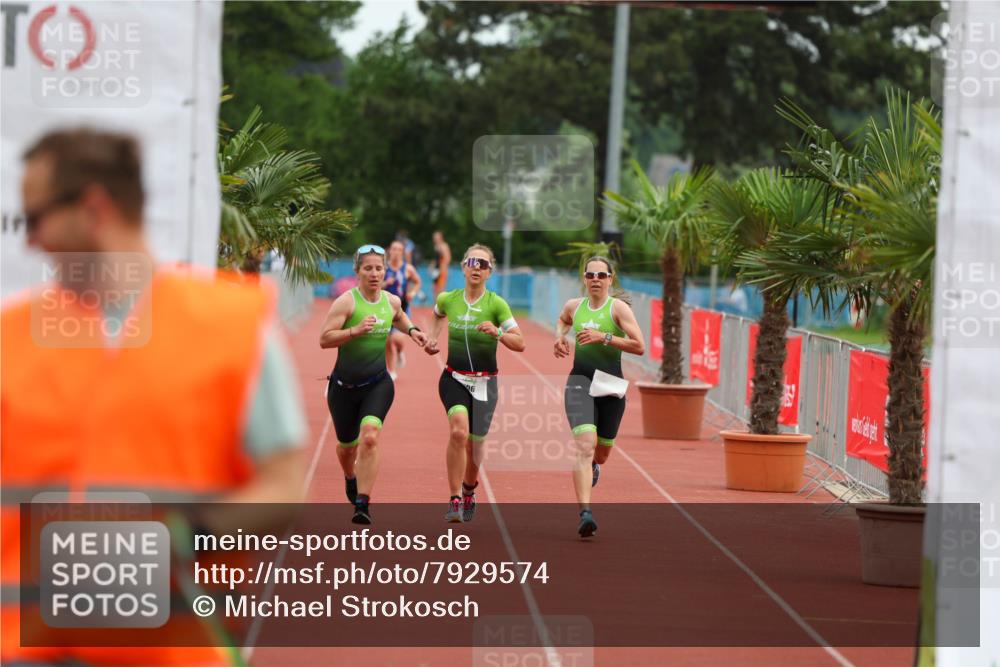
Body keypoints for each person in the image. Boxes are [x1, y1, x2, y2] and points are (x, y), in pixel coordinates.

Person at [1, 128, 308, 666]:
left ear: (93, 208)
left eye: (37, 218)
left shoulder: (230, 327)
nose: (29, 239)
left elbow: (283, 485)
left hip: (172, 650)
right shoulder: (11, 334)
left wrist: (185, 535)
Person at [319, 244, 429, 524]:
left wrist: (414, 331)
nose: (374, 273)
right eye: (368, 268)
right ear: (357, 271)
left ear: (385, 271)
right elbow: (325, 339)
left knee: (370, 435)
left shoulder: (391, 301)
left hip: (377, 382)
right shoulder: (346, 302)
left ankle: (363, 503)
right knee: (347, 448)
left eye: (379, 268)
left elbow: (401, 317)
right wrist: (354, 331)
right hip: (343, 387)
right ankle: (349, 475)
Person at [424, 244, 525, 522]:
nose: (477, 268)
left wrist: (498, 333)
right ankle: (455, 498)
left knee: (475, 444)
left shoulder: (496, 304)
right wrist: (433, 337)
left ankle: (470, 489)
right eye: (472, 262)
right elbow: (436, 314)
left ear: (490, 271)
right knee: (458, 432)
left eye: (483, 264)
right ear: (463, 266)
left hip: (485, 383)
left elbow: (520, 343)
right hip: (453, 377)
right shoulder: (448, 299)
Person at [553, 256, 645, 537]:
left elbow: (639, 346)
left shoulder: (618, 309)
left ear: (610, 278)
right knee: (585, 444)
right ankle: (585, 513)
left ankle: (594, 466)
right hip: (580, 382)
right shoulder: (574, 306)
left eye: (601, 275)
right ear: (584, 278)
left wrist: (603, 337)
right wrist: (560, 337)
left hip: (611, 386)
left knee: (601, 454)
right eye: (591, 274)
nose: (596, 279)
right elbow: (563, 319)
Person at [383, 239, 422, 379]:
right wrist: (385, 283)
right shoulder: (383, 267)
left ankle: (400, 352)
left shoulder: (408, 268)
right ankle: (391, 371)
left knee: (398, 340)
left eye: (399, 250)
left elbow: (418, 282)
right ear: (389, 251)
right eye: (394, 249)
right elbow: (374, 286)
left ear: (403, 253)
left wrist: (412, 293)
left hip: (402, 308)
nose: (396, 252)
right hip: (385, 308)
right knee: (388, 340)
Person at [430, 230, 451, 297]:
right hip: (436, 269)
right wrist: (431, 266)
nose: (434, 239)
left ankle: (441, 305)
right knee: (434, 288)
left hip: (442, 269)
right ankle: (436, 304)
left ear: (440, 238)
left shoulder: (444, 246)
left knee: (441, 288)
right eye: (434, 238)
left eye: (436, 238)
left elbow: (447, 258)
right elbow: (436, 259)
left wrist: (442, 269)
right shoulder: (436, 247)